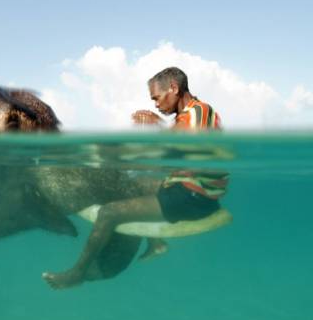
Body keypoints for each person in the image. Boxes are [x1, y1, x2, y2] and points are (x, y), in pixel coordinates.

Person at [43, 67, 227, 289]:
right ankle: (157, 243)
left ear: (174, 88)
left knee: (109, 213)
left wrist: (156, 127)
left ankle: (76, 274)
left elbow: (184, 142)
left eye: (157, 98)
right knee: (136, 184)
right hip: (186, 189)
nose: (156, 105)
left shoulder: (199, 112)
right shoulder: (189, 114)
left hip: (192, 198)